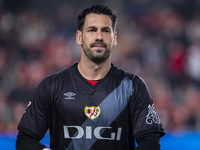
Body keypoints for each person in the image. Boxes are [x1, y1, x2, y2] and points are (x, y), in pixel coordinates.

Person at [16, 4, 165, 150]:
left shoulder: (133, 86)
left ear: (114, 38)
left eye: (105, 31)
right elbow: (24, 140)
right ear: (79, 37)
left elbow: (151, 142)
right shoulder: (52, 86)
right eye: (92, 30)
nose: (99, 36)